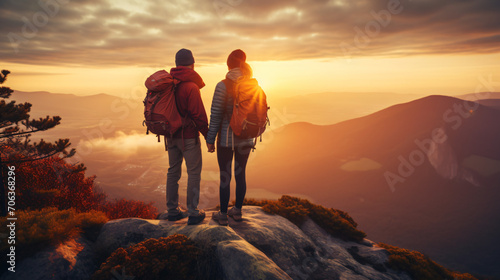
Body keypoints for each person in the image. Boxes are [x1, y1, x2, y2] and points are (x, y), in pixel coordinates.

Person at [207, 49, 256, 226]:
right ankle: (238, 211)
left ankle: (222, 215)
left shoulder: (223, 85)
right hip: (248, 137)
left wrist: (210, 139)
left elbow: (216, 115)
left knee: (225, 175)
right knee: (241, 174)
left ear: (228, 65)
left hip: (226, 139)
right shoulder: (253, 85)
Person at [165, 48, 208, 225]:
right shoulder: (191, 87)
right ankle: (193, 212)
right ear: (192, 64)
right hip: (188, 137)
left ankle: (172, 211)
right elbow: (199, 115)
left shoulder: (168, 84)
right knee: (194, 173)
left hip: (170, 135)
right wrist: (208, 137)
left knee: (173, 172)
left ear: (176, 64)